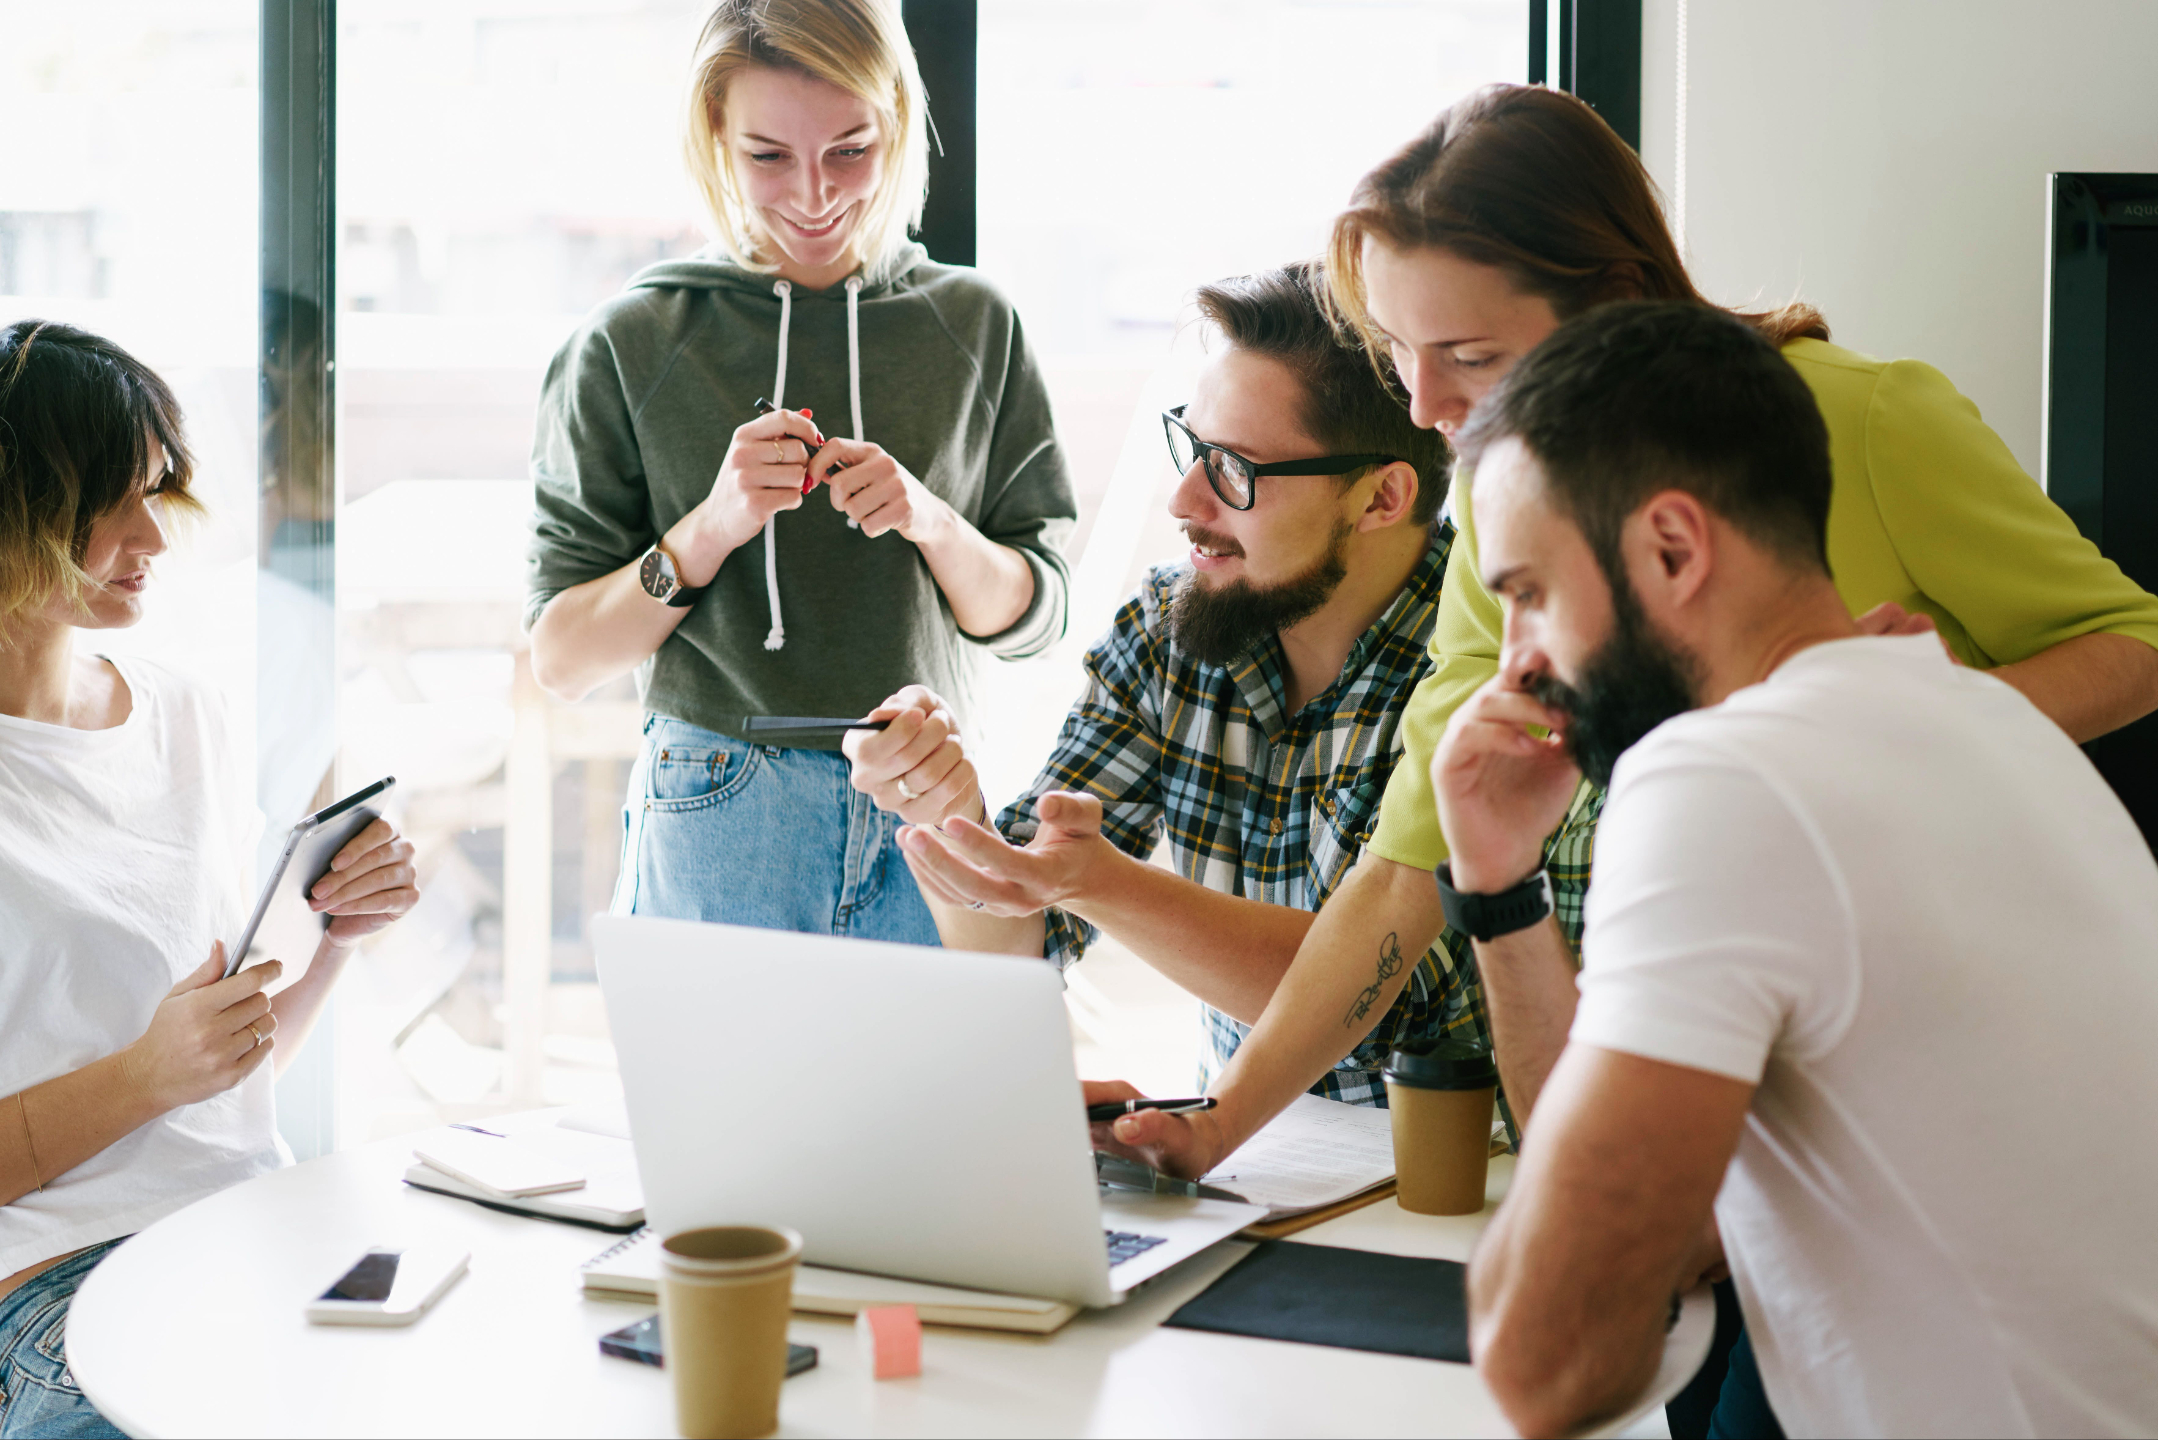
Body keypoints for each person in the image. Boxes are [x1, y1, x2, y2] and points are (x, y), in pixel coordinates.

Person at [1096, 82, 2158, 1171]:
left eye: (1470, 356)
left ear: (1613, 300)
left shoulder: (1868, 418)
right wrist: (1219, 1122)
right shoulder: (1500, 489)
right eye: (1400, 351)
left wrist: (1907, 725)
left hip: (1889, 1090)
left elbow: (2136, 644)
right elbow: (1409, 861)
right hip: (1645, 1105)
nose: (1423, 408)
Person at [1444, 299, 2158, 1438]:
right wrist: (1501, 881)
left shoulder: (1723, 780)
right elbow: (1685, 1238)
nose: (1520, 660)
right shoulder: (1992, 724)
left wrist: (1489, 885)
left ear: (1671, 549)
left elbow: (1549, 1364)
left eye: (1528, 593)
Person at [844, 263, 1476, 1101]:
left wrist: (1098, 881)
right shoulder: (1171, 628)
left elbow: (1394, 1002)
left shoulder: (1484, 660)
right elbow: (1023, 941)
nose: (1183, 500)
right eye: (1193, 447)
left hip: (1466, 1163)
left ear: (1381, 497)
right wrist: (948, 811)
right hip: (1244, 1152)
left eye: (1235, 470)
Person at [526, 0, 1075, 944]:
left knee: (946, 1051)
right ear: (715, 137)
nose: (815, 195)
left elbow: (1038, 621)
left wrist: (930, 520)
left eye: (850, 150)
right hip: (718, 801)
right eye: (769, 155)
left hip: (929, 797)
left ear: (897, 125)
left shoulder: (979, 325)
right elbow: (563, 659)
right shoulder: (630, 340)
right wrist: (711, 527)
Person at [0, 320, 421, 1439]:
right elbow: (166, 1080)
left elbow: (226, 1079)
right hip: (62, 1289)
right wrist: (144, 1076)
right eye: (113, 502)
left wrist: (337, 935)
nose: (155, 535)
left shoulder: (185, 713)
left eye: (155, 490)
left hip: (256, 1230)